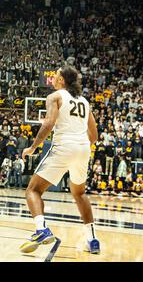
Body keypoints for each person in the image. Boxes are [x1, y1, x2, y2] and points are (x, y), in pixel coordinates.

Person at [21, 66, 100, 254]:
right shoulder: (84, 101)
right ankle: (93, 240)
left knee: (33, 190)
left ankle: (41, 230)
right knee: (79, 194)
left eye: (55, 75)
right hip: (83, 149)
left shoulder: (55, 97)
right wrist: (79, 147)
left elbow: (48, 123)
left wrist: (33, 147)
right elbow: (94, 135)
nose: (53, 78)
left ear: (62, 80)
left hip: (64, 146)